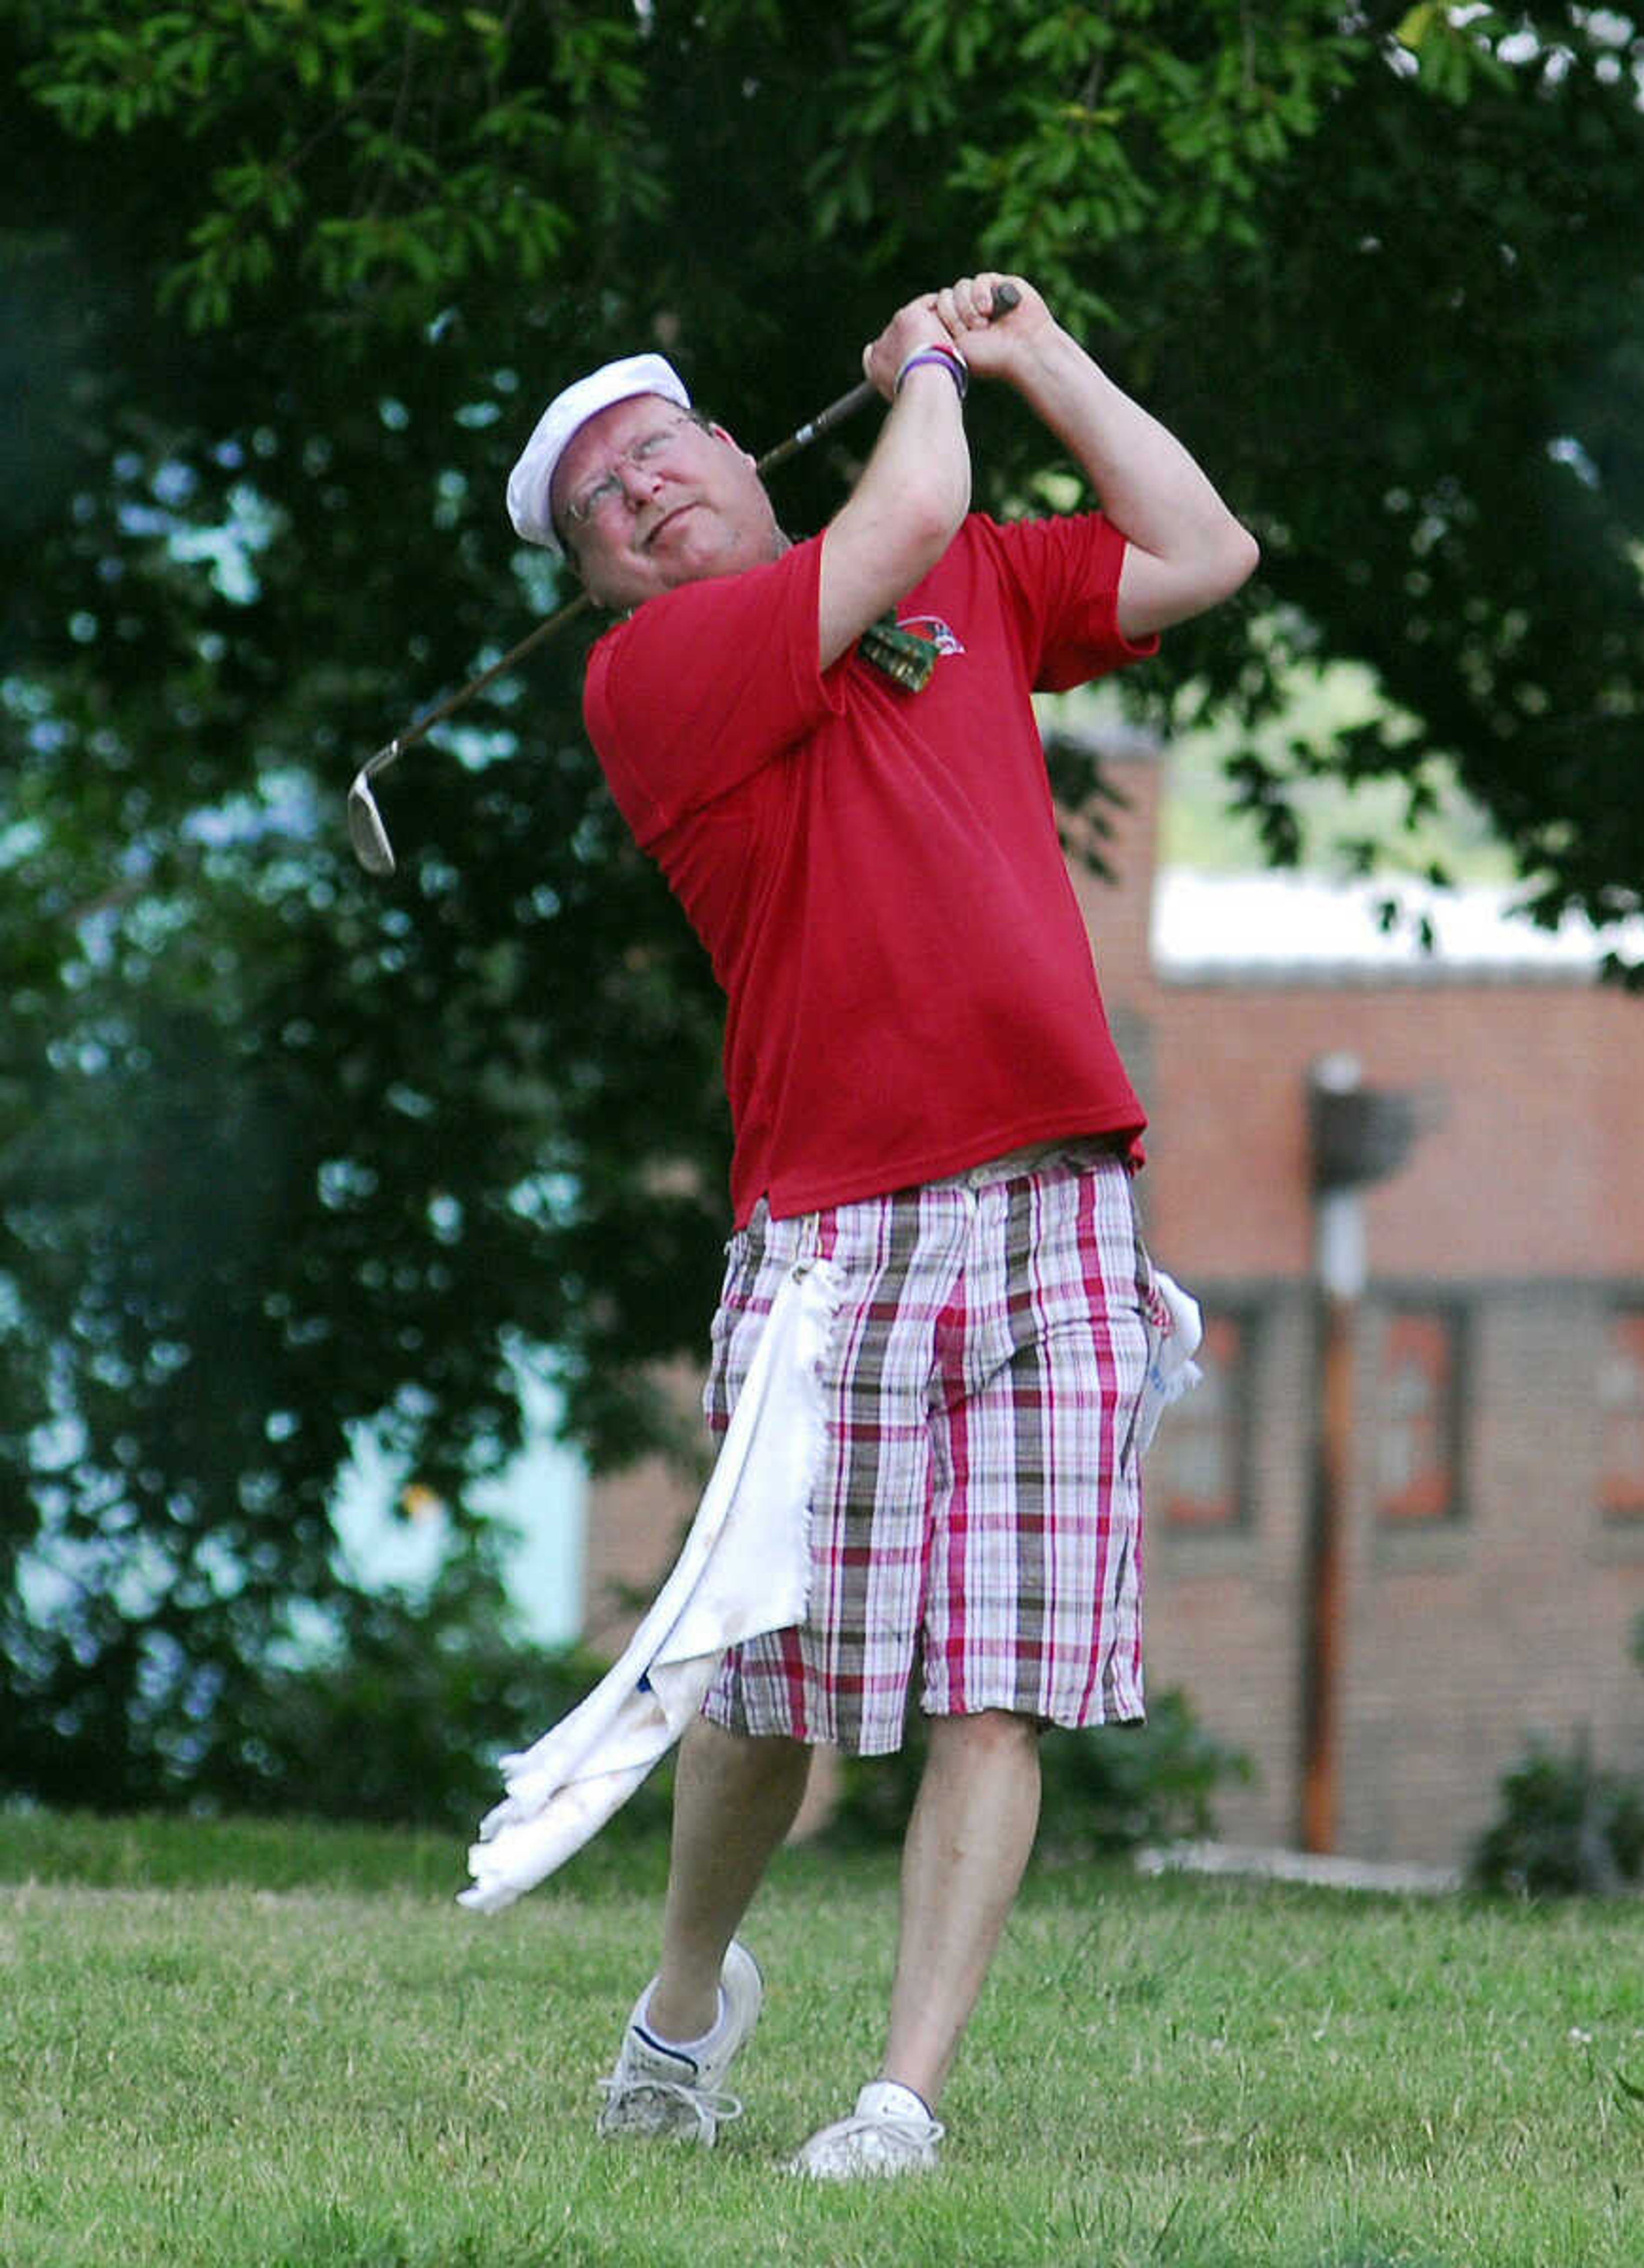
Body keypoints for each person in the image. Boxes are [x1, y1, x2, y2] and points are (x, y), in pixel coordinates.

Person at [504, 272, 1258, 2178]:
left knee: (1000, 1683)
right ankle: (687, 2003)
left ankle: (900, 2107)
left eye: (659, 449)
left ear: (738, 453)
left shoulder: (972, 585)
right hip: (836, 1243)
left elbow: (1203, 547)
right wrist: (925, 365)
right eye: (603, 502)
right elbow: (905, 509)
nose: (642, 493)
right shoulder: (657, 678)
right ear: (596, 582)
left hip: (1065, 1203)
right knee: (773, 1681)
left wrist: (1034, 357)